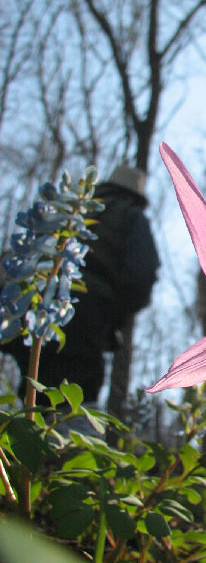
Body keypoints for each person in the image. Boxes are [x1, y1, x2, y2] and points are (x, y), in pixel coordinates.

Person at [5, 164, 160, 405]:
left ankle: (23, 433)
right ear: (136, 195)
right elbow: (142, 275)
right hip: (87, 314)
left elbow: (27, 246)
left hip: (32, 305)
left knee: (30, 388)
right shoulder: (131, 215)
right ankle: (61, 438)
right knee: (75, 396)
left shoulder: (72, 206)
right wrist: (119, 313)